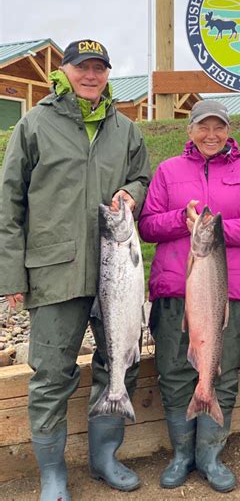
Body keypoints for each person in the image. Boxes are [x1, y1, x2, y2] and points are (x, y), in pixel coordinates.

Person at [0, 39, 151, 500]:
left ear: (108, 74)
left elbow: (142, 177)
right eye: (82, 66)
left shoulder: (126, 129)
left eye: (100, 68)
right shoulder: (34, 124)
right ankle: (52, 473)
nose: (91, 75)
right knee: (50, 375)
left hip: (116, 272)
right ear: (64, 71)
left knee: (119, 362)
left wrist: (131, 193)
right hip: (54, 272)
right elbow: (9, 204)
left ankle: (105, 457)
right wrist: (10, 278)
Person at [138, 100, 240, 494]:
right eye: (203, 127)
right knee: (175, 371)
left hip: (230, 292)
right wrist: (182, 220)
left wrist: (216, 228)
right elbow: (147, 226)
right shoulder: (167, 171)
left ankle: (210, 455)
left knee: (221, 369)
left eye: (219, 128)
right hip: (175, 289)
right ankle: (182, 454)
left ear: (229, 131)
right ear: (189, 129)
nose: (211, 135)